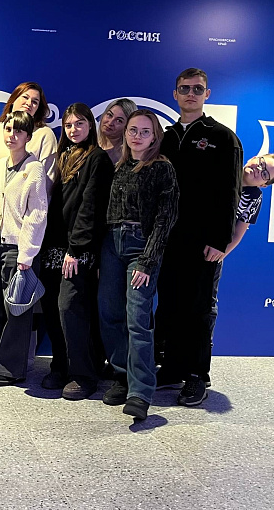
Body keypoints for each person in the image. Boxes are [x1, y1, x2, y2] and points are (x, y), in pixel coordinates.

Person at [154, 68, 243, 407]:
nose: (190, 94)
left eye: (197, 89)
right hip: (168, 238)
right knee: (170, 306)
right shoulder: (166, 136)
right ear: (175, 94)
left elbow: (230, 192)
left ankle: (197, 375)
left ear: (207, 94)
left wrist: (220, 241)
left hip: (204, 241)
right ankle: (173, 369)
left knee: (199, 309)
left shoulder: (222, 137)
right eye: (184, 88)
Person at [99, 109, 179, 420]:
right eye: (133, 130)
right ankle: (122, 375)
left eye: (145, 131)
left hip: (140, 247)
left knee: (137, 319)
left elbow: (165, 218)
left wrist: (147, 260)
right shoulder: (121, 166)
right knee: (110, 313)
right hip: (112, 244)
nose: (137, 136)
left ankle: (140, 392)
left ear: (155, 136)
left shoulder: (162, 168)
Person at [39, 103, 113, 400]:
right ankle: (60, 366)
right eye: (68, 125)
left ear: (90, 125)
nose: (73, 129)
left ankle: (83, 375)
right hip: (53, 248)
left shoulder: (97, 158)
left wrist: (77, 248)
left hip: (77, 250)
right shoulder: (63, 156)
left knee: (71, 308)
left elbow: (91, 207)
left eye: (79, 123)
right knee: (52, 310)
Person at [0, 111, 48, 386]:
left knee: (16, 310)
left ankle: (11, 369)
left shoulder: (34, 168)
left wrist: (27, 254)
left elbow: (37, 213)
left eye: (19, 131)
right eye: (8, 129)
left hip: (19, 249)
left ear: (28, 136)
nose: (12, 135)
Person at [208, 154, 274, 347]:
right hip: (186, 244)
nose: (259, 169)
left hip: (212, 255)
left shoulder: (254, 197)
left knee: (206, 304)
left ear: (264, 184)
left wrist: (219, 256)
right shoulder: (221, 170)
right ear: (254, 158)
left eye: (265, 173)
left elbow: (238, 232)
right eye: (261, 163)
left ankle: (201, 355)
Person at [0, 82, 58, 193]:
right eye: (25, 97)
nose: (29, 103)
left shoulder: (44, 134)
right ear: (13, 100)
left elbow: (47, 181)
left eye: (35, 102)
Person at [97, 98, 138, 164]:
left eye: (119, 121)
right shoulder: (88, 145)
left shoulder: (128, 158)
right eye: (109, 115)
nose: (110, 123)